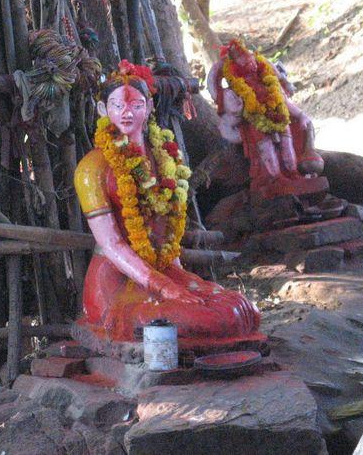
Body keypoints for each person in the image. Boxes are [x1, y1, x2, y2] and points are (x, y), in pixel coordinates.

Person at [74, 61, 260, 345]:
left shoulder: (164, 157)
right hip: (117, 285)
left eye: (135, 105)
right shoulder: (92, 169)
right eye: (117, 106)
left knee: (242, 308)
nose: (126, 113)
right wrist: (161, 285)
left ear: (148, 107)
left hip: (163, 269)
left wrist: (178, 278)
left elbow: (166, 229)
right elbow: (111, 244)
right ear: (103, 110)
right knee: (211, 319)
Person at [209, 39, 325, 199]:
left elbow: (284, 102)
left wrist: (300, 115)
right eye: (247, 64)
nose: (252, 65)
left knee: (287, 144)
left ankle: (292, 173)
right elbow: (233, 110)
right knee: (266, 148)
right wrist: (240, 105)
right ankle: (275, 177)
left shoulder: (269, 83)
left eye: (252, 62)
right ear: (238, 68)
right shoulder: (237, 92)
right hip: (255, 120)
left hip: (278, 115)